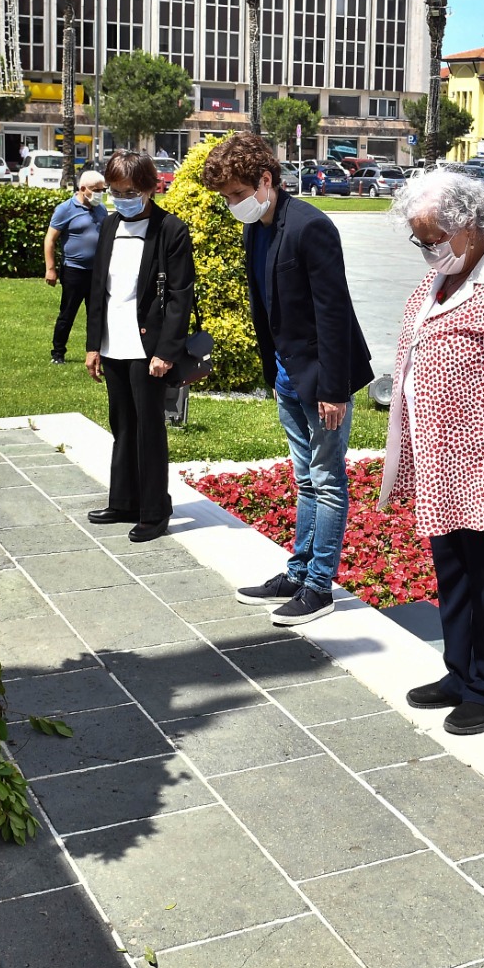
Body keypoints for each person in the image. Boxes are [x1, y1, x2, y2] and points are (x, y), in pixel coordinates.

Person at [378, 170, 484, 734]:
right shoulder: (440, 282)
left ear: (473, 229)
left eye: (432, 239)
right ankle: (460, 670)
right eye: (419, 239)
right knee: (451, 569)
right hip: (439, 459)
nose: (426, 250)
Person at [204, 132, 374, 626]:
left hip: (322, 381)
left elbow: (333, 312)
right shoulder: (256, 227)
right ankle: (297, 572)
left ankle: (319, 586)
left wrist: (334, 389)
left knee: (327, 480)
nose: (233, 205)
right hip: (286, 376)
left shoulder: (311, 227)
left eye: (238, 194)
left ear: (265, 179)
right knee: (304, 479)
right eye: (227, 198)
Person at [83, 152, 195, 542]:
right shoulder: (110, 225)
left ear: (149, 188)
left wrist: (166, 351)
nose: (120, 198)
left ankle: (153, 509)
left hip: (148, 349)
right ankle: (124, 500)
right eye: (114, 191)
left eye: (129, 192)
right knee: (122, 425)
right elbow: (98, 289)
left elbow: (180, 297)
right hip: (113, 344)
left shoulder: (171, 230)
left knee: (149, 429)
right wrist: (93, 344)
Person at [44, 169, 108, 365]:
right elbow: (50, 239)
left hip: (96, 271)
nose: (100, 193)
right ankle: (58, 353)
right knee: (68, 313)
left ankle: (96, 351)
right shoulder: (65, 209)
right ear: (82, 189)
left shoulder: (101, 209)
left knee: (96, 313)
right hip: (74, 270)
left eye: (102, 189)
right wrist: (51, 268)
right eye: (96, 190)